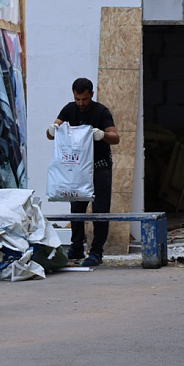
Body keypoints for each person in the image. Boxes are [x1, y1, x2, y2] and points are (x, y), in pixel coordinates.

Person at [46, 77, 119, 267]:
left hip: (100, 167)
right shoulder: (69, 109)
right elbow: (52, 130)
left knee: (100, 210)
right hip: (78, 169)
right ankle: (76, 246)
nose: (81, 103)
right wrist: (52, 130)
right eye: (78, 99)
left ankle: (96, 252)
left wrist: (102, 135)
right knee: (77, 208)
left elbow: (115, 137)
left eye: (85, 99)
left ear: (91, 95)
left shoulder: (101, 111)